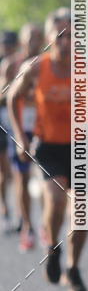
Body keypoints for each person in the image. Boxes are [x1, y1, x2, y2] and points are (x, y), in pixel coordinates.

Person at [8, 9, 88, 291]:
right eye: (60, 36)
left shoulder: (85, 67)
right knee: (55, 200)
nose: (66, 42)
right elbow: (13, 96)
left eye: (71, 35)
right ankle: (53, 247)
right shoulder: (36, 67)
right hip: (48, 144)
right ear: (50, 38)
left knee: (82, 213)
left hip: (80, 145)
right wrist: (20, 138)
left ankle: (74, 268)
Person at [4, 23, 44, 250]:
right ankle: (27, 225)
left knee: (48, 178)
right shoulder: (12, 65)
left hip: (42, 125)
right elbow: (5, 94)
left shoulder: (47, 64)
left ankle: (45, 226)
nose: (33, 42)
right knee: (23, 177)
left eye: (37, 37)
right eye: (29, 38)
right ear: (22, 41)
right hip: (20, 124)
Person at [0, 30, 20, 232]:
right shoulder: (5, 66)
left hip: (17, 120)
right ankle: (5, 210)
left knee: (16, 171)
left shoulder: (21, 63)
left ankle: (20, 213)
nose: (8, 48)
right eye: (4, 44)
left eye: (11, 44)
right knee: (4, 172)